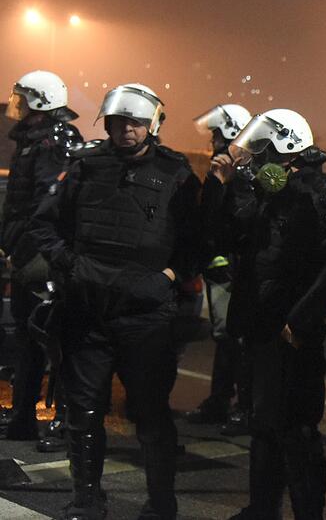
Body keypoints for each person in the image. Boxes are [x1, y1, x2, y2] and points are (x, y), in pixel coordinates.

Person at [30, 83, 202, 520]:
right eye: (119, 121)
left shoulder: (177, 172)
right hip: (86, 310)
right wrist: (67, 264)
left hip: (145, 316)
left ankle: (162, 502)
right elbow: (45, 225)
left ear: (152, 125)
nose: (126, 129)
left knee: (149, 413)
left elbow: (199, 240)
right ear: (106, 123)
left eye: (136, 122)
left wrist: (166, 277)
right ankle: (87, 499)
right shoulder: (84, 166)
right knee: (83, 411)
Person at [204, 108, 326, 520]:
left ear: (286, 148)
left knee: (298, 431)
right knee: (264, 427)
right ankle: (262, 508)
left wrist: (302, 319)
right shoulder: (268, 194)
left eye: (261, 150)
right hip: (261, 326)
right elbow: (229, 237)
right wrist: (223, 188)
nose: (253, 159)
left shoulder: (321, 192)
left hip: (293, 332)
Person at [0, 71, 81, 452]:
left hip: (42, 256)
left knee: (54, 339)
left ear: (41, 101)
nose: (17, 105)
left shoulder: (53, 142)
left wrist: (28, 249)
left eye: (22, 98)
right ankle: (22, 419)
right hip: (28, 251)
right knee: (26, 338)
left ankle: (64, 422)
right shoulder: (34, 141)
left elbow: (47, 206)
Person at [184, 104, 253, 436]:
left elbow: (233, 222)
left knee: (237, 339)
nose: (212, 143)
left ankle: (243, 406)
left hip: (236, 270)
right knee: (225, 338)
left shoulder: (244, 175)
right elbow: (206, 218)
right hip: (221, 268)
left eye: (216, 136)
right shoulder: (221, 174)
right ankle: (221, 400)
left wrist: (225, 182)